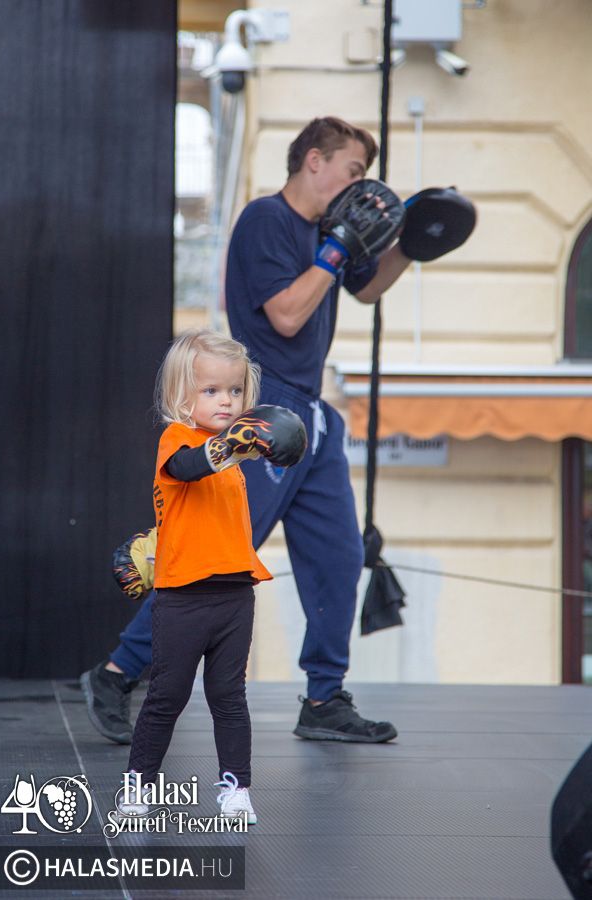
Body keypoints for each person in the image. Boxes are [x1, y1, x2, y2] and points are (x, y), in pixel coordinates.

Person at [83, 115, 453, 746]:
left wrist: (412, 245)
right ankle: (117, 673)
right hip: (264, 407)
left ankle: (324, 698)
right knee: (215, 551)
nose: (358, 185)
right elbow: (285, 315)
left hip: (312, 411)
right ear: (315, 160)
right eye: (353, 169)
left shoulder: (325, 234)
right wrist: (337, 249)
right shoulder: (266, 221)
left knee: (338, 556)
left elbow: (368, 289)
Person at [116, 328, 306, 822]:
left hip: (235, 594)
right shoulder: (178, 440)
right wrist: (232, 445)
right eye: (211, 390)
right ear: (182, 396)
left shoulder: (235, 459)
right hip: (183, 598)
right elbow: (186, 469)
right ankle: (138, 785)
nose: (227, 400)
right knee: (167, 696)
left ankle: (236, 790)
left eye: (236, 390)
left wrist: (260, 446)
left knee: (229, 697)